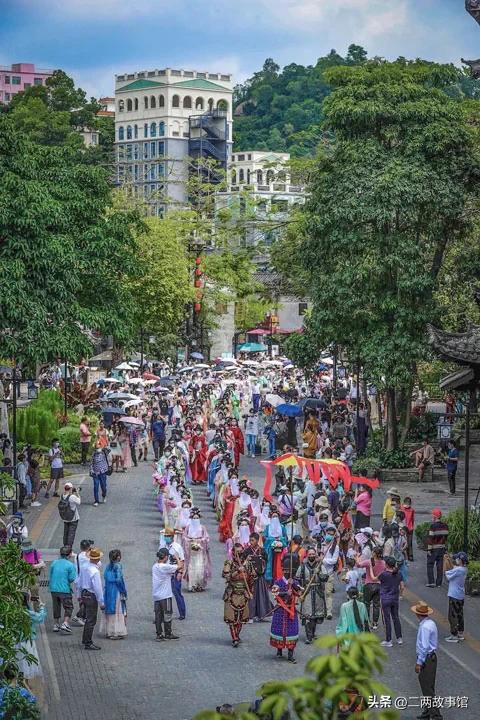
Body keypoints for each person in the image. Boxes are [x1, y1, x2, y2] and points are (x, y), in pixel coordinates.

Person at [412, 601, 442, 720]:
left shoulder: (424, 627)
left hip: (426, 659)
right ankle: (428, 711)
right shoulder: (431, 623)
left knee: (427, 688)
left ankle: (436, 715)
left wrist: (419, 663)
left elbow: (424, 647)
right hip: (431, 658)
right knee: (428, 686)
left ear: (417, 614)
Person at [222, 543, 255, 647]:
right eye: (237, 552)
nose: (239, 554)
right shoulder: (229, 562)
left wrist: (251, 591)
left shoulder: (247, 564)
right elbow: (226, 576)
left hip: (243, 594)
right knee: (231, 618)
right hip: (232, 593)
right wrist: (237, 571)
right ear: (233, 552)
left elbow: (252, 578)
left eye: (241, 552)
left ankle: (237, 634)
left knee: (241, 618)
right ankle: (234, 638)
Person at [270, 557, 301, 662]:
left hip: (291, 610)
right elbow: (274, 592)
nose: (289, 573)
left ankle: (290, 654)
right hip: (280, 609)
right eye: (287, 571)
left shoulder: (295, 582)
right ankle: (279, 650)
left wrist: (294, 585)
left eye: (291, 571)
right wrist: (285, 593)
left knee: (292, 631)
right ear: (283, 570)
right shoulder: (278, 582)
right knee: (279, 630)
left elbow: (300, 591)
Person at [296, 547, 328, 643]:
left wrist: (319, 573)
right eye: (310, 554)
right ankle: (308, 636)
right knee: (307, 614)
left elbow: (325, 578)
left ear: (315, 555)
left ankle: (312, 633)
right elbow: (297, 579)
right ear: (307, 555)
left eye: (313, 554)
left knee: (315, 616)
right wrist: (299, 590)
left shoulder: (320, 566)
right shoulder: (302, 566)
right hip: (307, 593)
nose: (311, 555)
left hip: (318, 593)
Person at [16, 593, 47, 688]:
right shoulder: (28, 613)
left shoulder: (15, 612)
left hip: (16, 641)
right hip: (27, 641)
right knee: (26, 663)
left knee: (18, 662)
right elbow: (40, 617)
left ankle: (20, 682)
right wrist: (41, 606)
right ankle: (25, 683)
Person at [373, 555, 403, 648]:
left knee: (387, 619)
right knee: (396, 617)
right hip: (395, 598)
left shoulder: (384, 574)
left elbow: (374, 579)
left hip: (385, 599)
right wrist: (400, 595)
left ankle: (389, 640)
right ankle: (399, 638)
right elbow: (402, 587)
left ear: (386, 565)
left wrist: (370, 569)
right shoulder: (399, 574)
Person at [77, 547, 104, 650]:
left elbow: (79, 581)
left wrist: (78, 594)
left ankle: (85, 640)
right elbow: (98, 588)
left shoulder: (84, 567)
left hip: (84, 593)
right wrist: (101, 602)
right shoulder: (95, 572)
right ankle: (88, 642)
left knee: (87, 618)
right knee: (91, 619)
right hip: (91, 595)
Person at [243, 532, 273, 622]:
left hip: (259, 577)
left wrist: (260, 561)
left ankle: (261, 614)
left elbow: (266, 561)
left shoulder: (262, 551)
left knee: (260, 596)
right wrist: (247, 560)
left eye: (252, 540)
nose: (251, 542)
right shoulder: (247, 551)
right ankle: (250, 615)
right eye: (250, 540)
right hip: (250, 578)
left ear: (257, 540)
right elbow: (243, 562)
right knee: (251, 596)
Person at [152, 548, 180, 641]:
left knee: (158, 616)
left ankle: (159, 634)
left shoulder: (155, 566)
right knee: (167, 614)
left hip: (156, 595)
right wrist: (177, 558)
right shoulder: (165, 567)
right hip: (165, 595)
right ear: (166, 557)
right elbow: (180, 566)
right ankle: (168, 633)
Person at [100, 549, 127, 640]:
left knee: (110, 609)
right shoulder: (118, 566)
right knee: (117, 610)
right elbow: (119, 580)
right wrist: (123, 590)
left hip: (108, 590)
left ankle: (109, 631)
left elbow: (105, 577)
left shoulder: (108, 566)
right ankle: (116, 631)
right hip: (116, 591)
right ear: (118, 557)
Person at [49, 546, 77, 634]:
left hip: (53, 588)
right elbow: (71, 578)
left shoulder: (54, 563)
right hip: (64, 589)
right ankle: (65, 623)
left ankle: (56, 624)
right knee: (69, 607)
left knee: (56, 606)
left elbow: (51, 574)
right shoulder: (70, 565)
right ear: (69, 555)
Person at [159, 527, 186, 619]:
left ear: (172, 537)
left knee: (177, 593)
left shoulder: (177, 547)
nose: (166, 537)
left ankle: (182, 613)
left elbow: (182, 560)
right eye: (165, 536)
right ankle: (163, 613)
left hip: (175, 572)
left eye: (168, 536)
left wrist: (180, 572)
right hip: (165, 572)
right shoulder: (162, 546)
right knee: (163, 594)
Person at [182, 508, 211, 592]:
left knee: (200, 567)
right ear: (191, 518)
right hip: (191, 551)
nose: (195, 519)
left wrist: (200, 540)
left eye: (197, 518)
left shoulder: (202, 527)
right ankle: (192, 585)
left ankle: (200, 584)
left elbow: (206, 537)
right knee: (191, 568)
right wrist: (190, 540)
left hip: (200, 551)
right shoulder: (188, 527)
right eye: (194, 518)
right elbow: (184, 537)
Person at [356, 546, 385, 631]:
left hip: (368, 585)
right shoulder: (383, 562)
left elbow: (358, 565)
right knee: (376, 605)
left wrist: (356, 558)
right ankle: (375, 623)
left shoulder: (369, 562)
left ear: (375, 553)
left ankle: (367, 620)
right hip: (379, 585)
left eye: (373, 552)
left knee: (366, 604)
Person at [444, 551, 467, 643]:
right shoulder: (464, 569)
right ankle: (460, 633)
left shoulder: (458, 570)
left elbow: (447, 574)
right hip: (460, 595)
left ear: (460, 560)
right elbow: (453, 567)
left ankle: (454, 635)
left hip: (454, 595)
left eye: (457, 558)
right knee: (460, 614)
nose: (456, 559)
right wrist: (450, 559)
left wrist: (445, 562)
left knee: (452, 615)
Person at [263, 509, 289, 583]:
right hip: (270, 550)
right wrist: (273, 540)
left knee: (279, 564)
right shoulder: (268, 527)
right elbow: (265, 537)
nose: (275, 518)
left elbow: (285, 537)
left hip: (280, 550)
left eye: (276, 516)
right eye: (273, 516)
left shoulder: (282, 527)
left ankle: (279, 579)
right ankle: (269, 579)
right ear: (271, 518)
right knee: (270, 564)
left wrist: (280, 539)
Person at [426, 508, 448, 588]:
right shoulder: (445, 526)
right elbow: (446, 538)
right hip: (442, 548)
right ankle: (439, 583)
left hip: (434, 549)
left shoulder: (433, 526)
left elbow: (430, 538)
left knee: (430, 564)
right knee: (440, 566)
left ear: (435, 517)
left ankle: (431, 582)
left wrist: (429, 549)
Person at [58, 482, 81, 548]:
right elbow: (79, 502)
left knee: (66, 533)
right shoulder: (72, 497)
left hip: (65, 517)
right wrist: (77, 493)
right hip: (73, 518)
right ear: (70, 488)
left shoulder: (61, 496)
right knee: (71, 534)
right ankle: (69, 548)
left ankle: (65, 547)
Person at [89, 442, 110, 506]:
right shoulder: (93, 454)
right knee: (96, 487)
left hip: (103, 472)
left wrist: (104, 447)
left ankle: (104, 495)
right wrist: (91, 470)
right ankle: (96, 501)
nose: (97, 448)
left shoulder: (104, 452)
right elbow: (91, 463)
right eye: (96, 447)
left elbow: (109, 450)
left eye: (98, 447)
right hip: (95, 473)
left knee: (103, 486)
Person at [401, 496, 415, 562]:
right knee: (405, 542)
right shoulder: (402, 509)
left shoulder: (411, 510)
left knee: (409, 542)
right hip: (405, 527)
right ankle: (407, 555)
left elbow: (412, 519)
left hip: (409, 527)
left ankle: (410, 555)